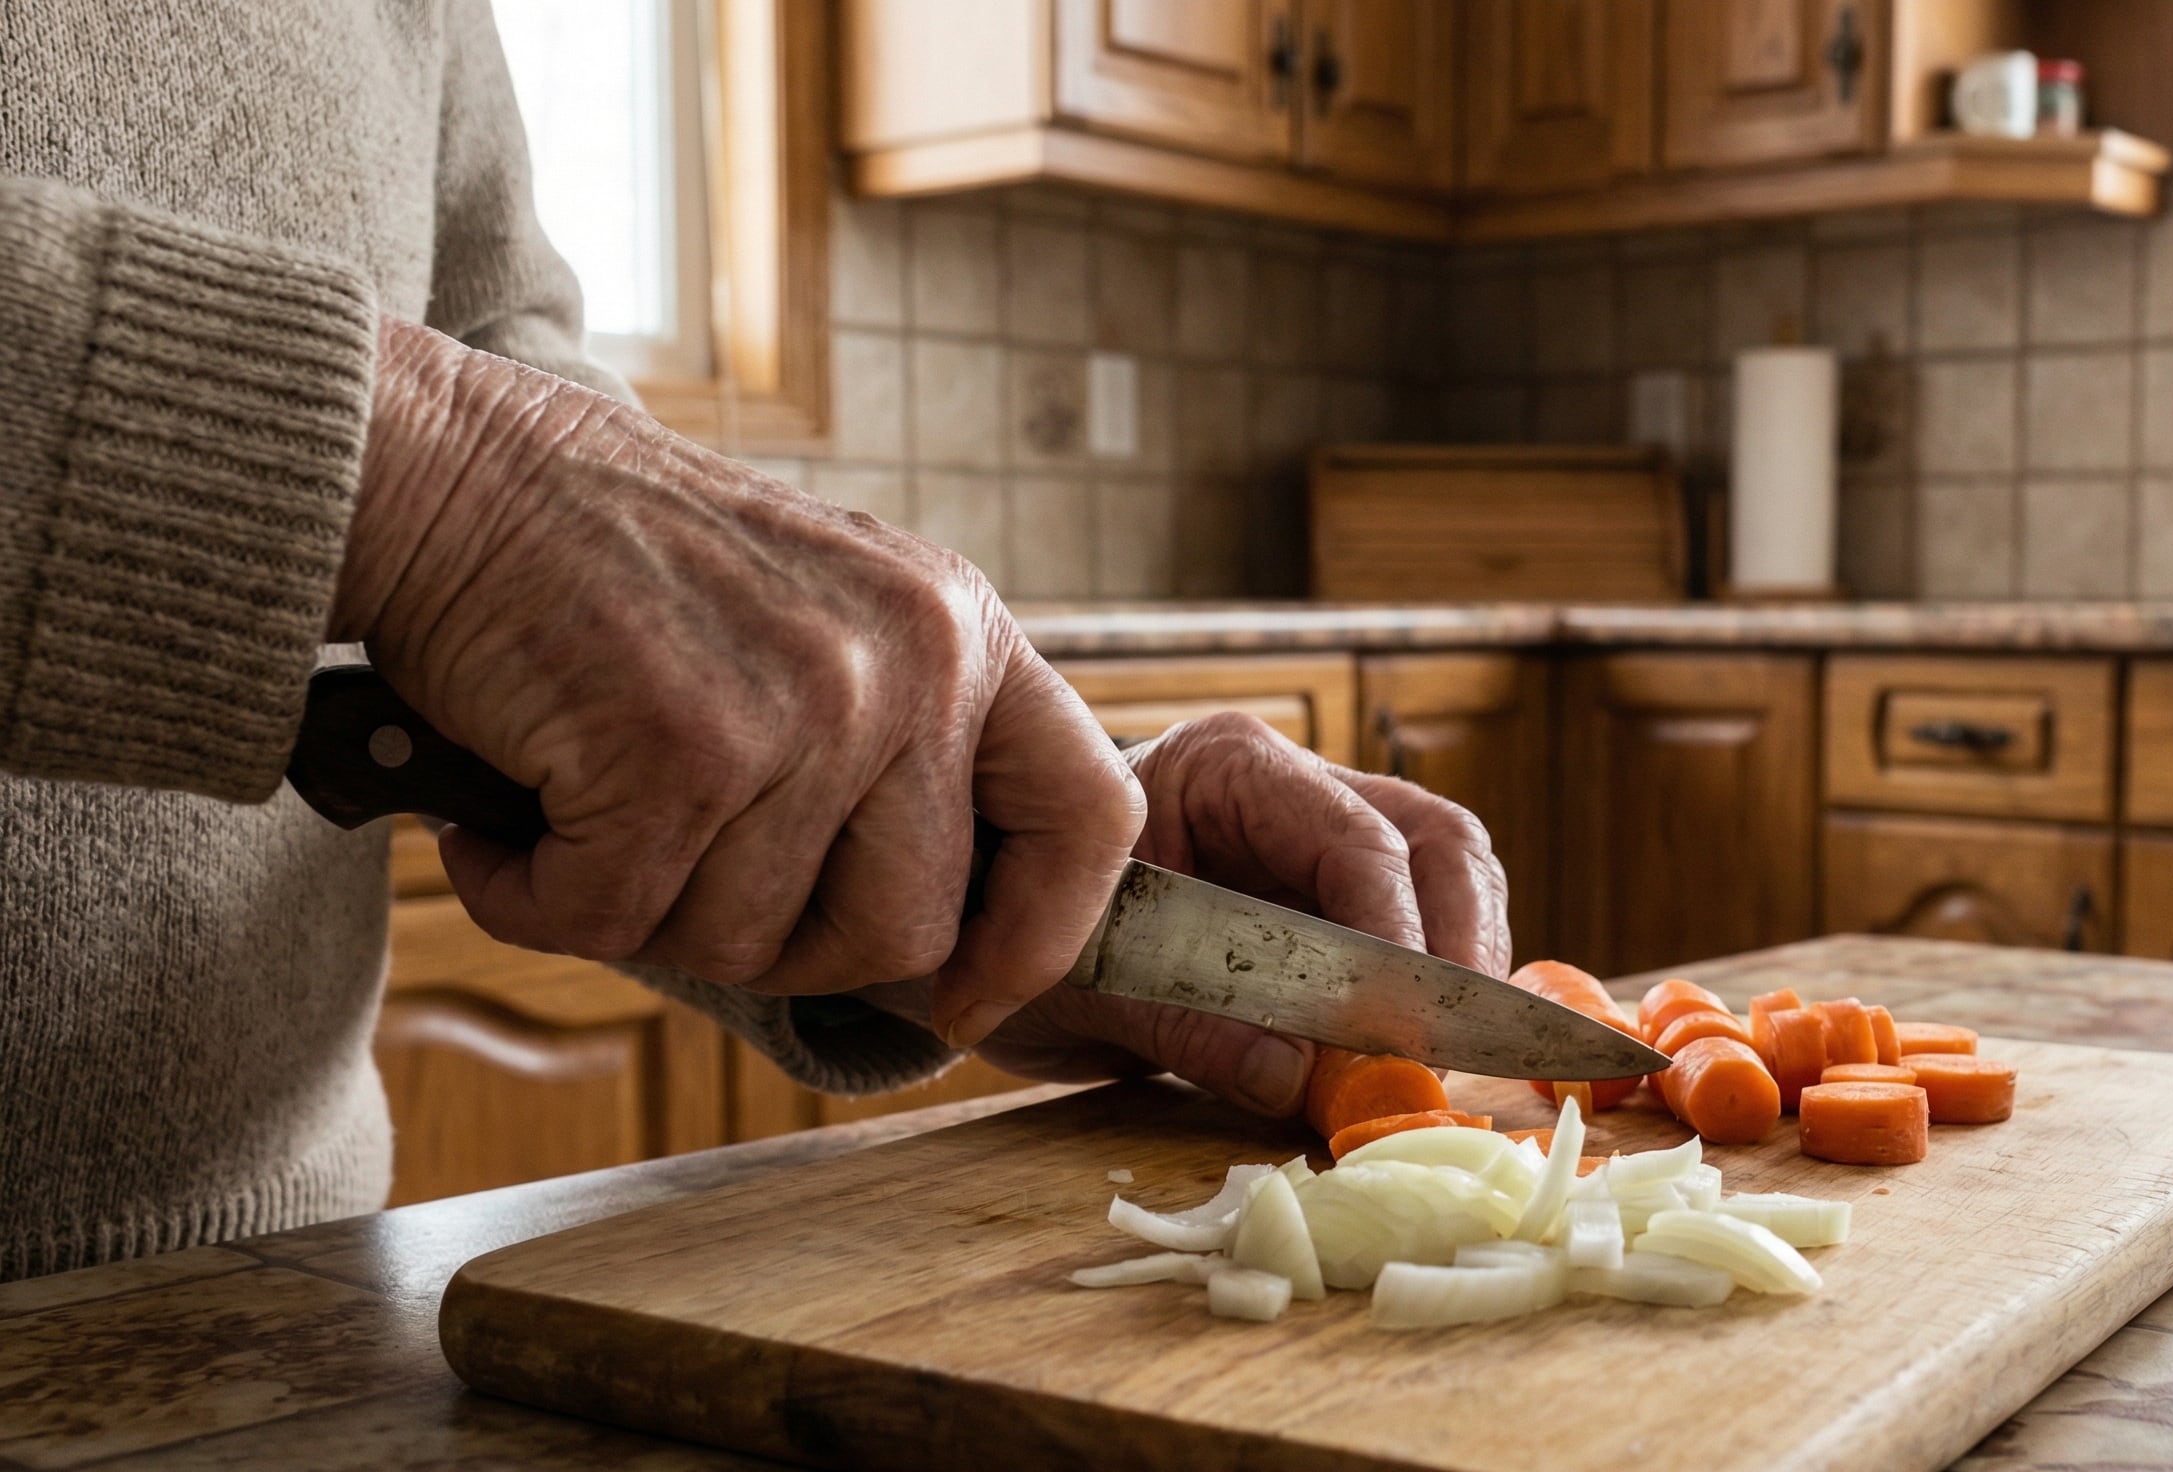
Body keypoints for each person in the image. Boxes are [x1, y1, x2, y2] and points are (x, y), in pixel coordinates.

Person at [0, 1, 1506, 1281]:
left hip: (280, 1305)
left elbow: (507, 364)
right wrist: (415, 478)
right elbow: (463, 459)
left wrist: (981, 864)